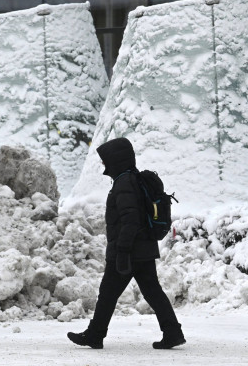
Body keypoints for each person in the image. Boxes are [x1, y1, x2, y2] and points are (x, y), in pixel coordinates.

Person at [67, 137, 185, 350]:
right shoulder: (132, 179)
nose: (104, 166)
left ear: (116, 160)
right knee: (152, 291)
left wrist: (122, 249)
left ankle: (95, 335)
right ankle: (173, 332)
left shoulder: (124, 183)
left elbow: (130, 219)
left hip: (129, 250)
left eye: (106, 161)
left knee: (108, 293)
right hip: (144, 248)